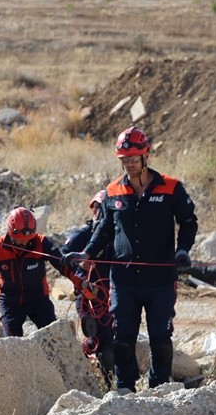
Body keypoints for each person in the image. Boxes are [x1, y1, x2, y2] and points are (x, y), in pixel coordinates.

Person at [64, 126, 197, 391]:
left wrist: (182, 250)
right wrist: (87, 253)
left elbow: (188, 222)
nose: (129, 165)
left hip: (160, 279)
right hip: (123, 280)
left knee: (160, 337)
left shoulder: (171, 187)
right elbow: (104, 229)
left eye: (134, 159)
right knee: (122, 338)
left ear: (146, 156)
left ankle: (159, 388)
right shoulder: (113, 191)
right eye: (125, 160)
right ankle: (125, 388)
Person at [0, 207, 80, 337]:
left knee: (54, 338)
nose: (24, 242)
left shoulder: (41, 243)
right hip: (10, 302)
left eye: (28, 238)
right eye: (20, 239)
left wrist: (82, 282)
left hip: (38, 299)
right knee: (11, 343)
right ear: (10, 232)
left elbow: (63, 265)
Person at [63, 190, 115, 380]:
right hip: (89, 299)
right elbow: (62, 258)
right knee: (101, 343)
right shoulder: (82, 235)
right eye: (97, 209)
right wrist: (79, 271)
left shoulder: (116, 236)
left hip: (114, 297)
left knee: (116, 340)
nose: (99, 213)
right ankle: (109, 385)